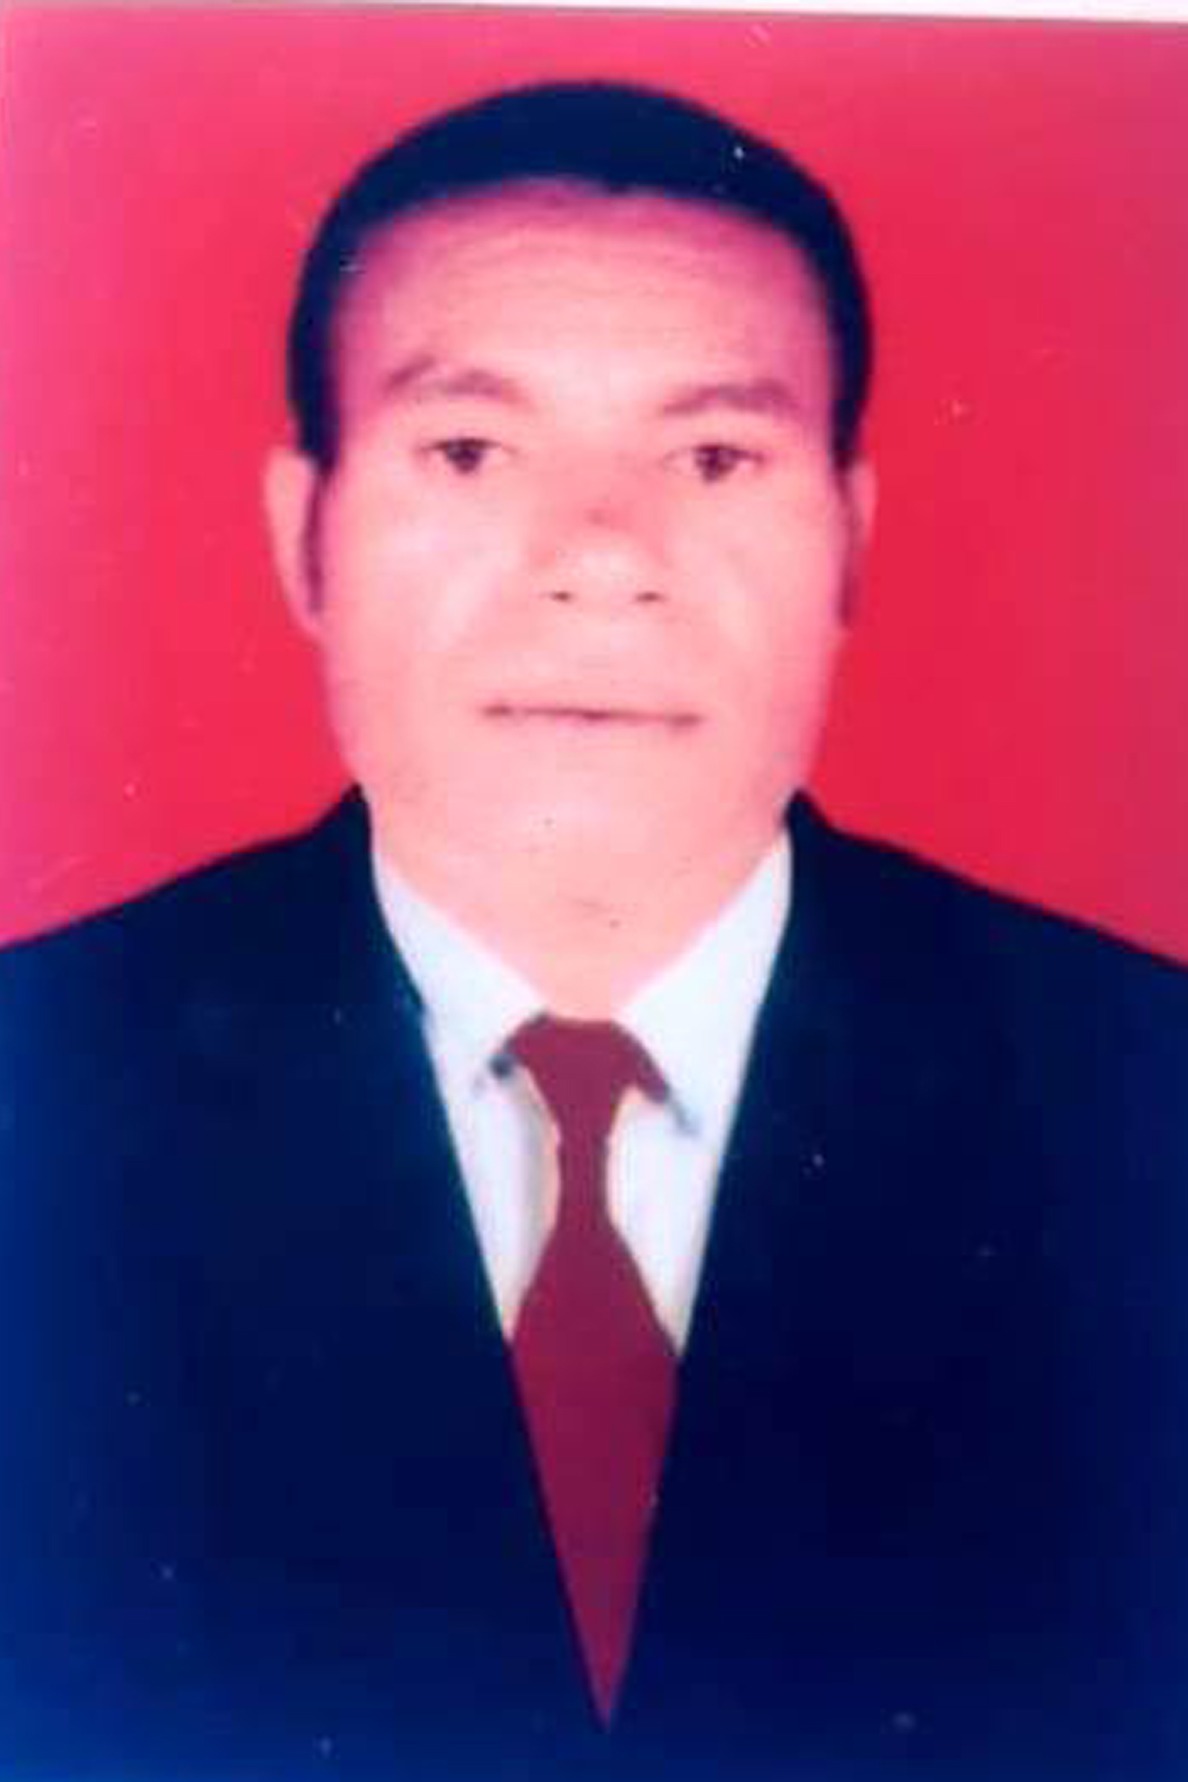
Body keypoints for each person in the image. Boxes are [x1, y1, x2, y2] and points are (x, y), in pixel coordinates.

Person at [1, 79, 1185, 1782]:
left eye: (713, 457)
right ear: (303, 537)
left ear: (849, 540)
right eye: (470, 452)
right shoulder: (34, 1091)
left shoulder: (1145, 1100)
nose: (601, 559)